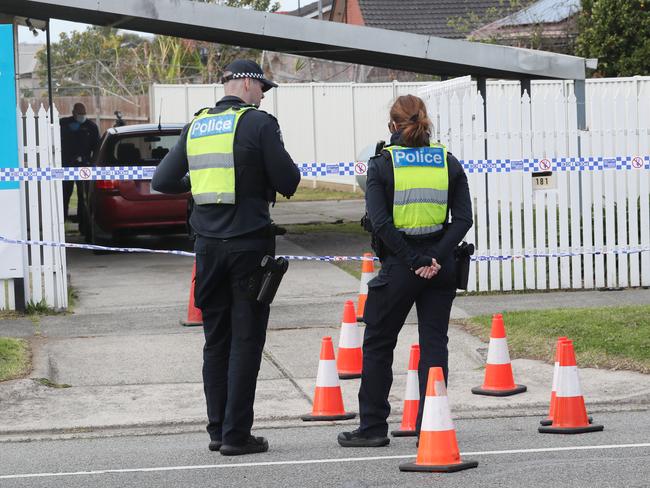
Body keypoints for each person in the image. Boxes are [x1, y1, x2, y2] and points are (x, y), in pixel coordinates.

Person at [152, 59, 301, 456]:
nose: (263, 96)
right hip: (249, 247)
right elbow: (289, 181)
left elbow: (163, 181)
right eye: (262, 89)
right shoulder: (259, 123)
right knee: (246, 340)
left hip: (207, 248)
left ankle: (218, 430)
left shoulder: (197, 123)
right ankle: (237, 435)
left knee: (216, 341)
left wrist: (198, 184)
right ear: (248, 85)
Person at [338, 94, 473, 447]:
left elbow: (380, 223)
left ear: (392, 126)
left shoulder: (382, 164)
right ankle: (431, 425)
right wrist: (435, 258)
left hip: (401, 267)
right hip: (440, 267)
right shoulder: (447, 160)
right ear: (424, 122)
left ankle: (371, 428)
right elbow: (463, 219)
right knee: (434, 345)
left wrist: (413, 261)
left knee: (379, 343)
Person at [59, 102, 100, 221]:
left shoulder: (91, 127)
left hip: (84, 166)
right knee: (65, 193)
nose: (82, 116)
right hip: (67, 165)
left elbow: (96, 147)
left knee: (84, 195)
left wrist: (89, 161)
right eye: (80, 114)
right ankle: (63, 219)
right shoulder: (64, 124)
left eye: (84, 114)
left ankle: (83, 221)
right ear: (73, 113)